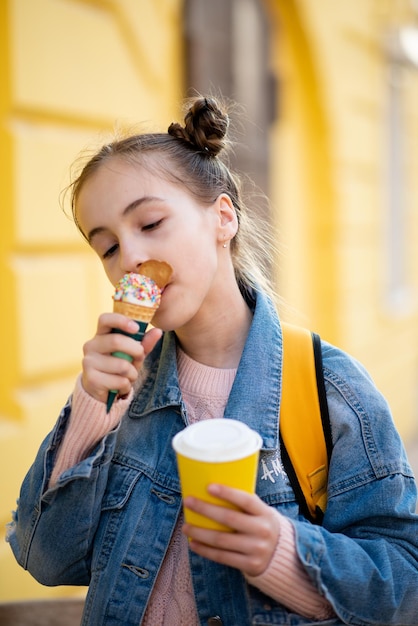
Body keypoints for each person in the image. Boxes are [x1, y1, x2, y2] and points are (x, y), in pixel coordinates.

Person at [7, 96, 418, 626]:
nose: (129, 257)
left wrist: (284, 552)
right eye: (106, 247)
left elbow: (405, 583)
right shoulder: (119, 393)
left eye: (150, 223)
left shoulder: (331, 390)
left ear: (223, 217)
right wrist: (90, 415)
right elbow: (44, 559)